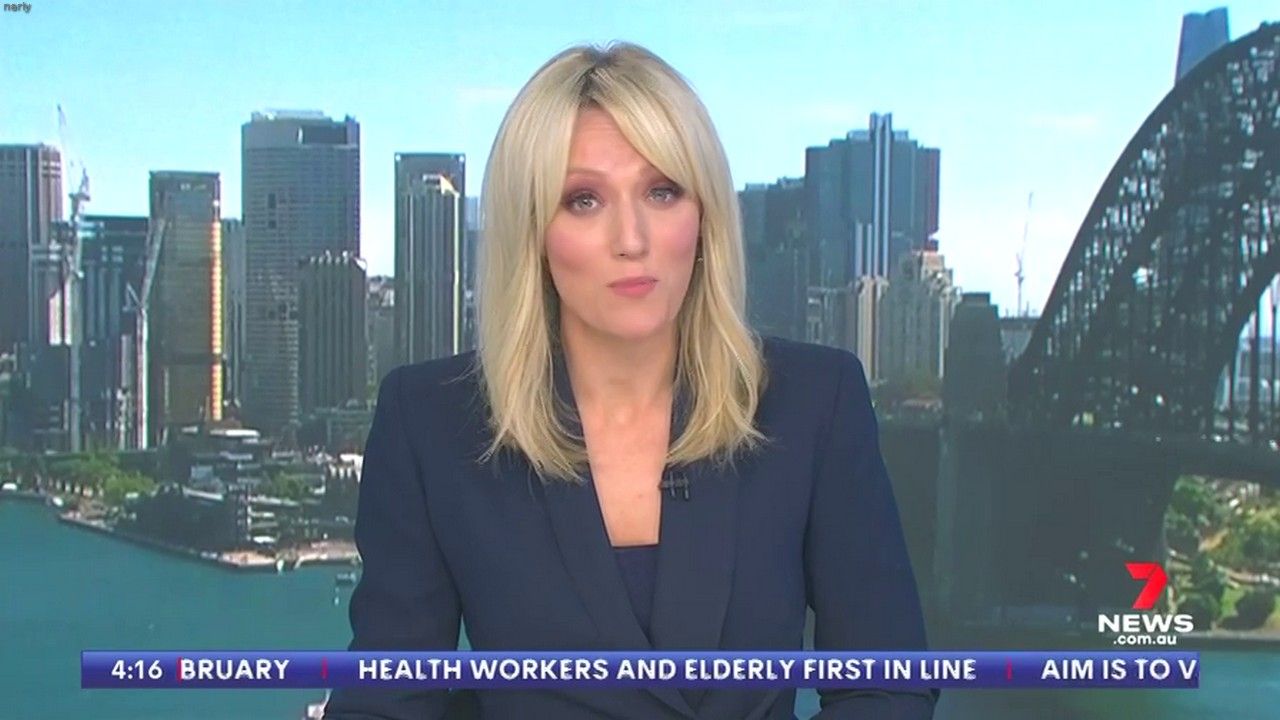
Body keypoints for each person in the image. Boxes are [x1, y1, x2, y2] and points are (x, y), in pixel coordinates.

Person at [324, 41, 938, 720]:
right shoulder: (430, 424)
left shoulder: (814, 402)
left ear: (704, 216)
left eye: (662, 191)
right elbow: (388, 701)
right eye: (584, 200)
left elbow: (887, 685)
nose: (632, 239)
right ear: (533, 231)